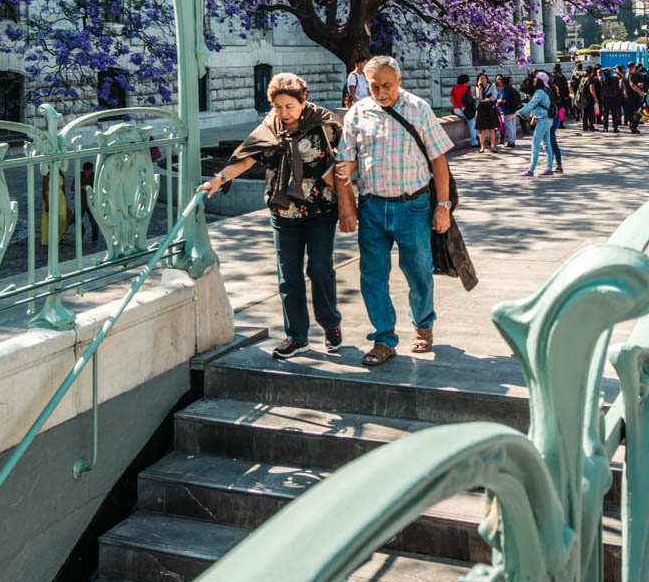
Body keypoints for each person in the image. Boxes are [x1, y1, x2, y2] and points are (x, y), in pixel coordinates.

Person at [202, 73, 346, 360]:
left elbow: (349, 158)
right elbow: (245, 158)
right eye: (278, 107)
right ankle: (296, 337)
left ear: (303, 102)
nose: (284, 113)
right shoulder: (269, 128)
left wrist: (351, 195)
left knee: (319, 269)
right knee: (288, 276)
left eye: (289, 107)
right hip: (284, 213)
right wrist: (217, 180)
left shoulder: (325, 126)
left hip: (320, 211)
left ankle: (331, 324)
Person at [334, 55, 453, 366]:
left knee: (418, 272)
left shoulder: (418, 109)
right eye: (374, 86)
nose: (380, 92)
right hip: (372, 206)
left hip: (413, 206)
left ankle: (422, 325)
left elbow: (439, 160)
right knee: (372, 276)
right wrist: (346, 206)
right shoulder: (357, 113)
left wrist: (443, 207)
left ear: (399, 80)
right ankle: (384, 337)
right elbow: (344, 163)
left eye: (386, 85)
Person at [519, 71, 563, 177]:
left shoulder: (542, 91)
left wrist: (519, 113)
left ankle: (534, 170)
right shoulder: (548, 89)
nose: (534, 79)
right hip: (550, 117)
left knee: (540, 145)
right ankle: (552, 167)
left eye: (535, 78)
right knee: (550, 143)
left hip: (545, 118)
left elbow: (532, 103)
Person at [450, 74, 478, 147]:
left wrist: (456, 106)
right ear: (466, 81)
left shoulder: (454, 88)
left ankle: (477, 135)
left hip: (456, 109)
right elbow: (470, 99)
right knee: (472, 124)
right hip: (465, 109)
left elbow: (452, 100)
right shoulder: (467, 88)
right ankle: (474, 142)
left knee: (472, 121)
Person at [474, 71, 498, 153]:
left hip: (490, 108)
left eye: (484, 78)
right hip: (481, 109)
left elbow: (494, 97)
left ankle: (493, 146)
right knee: (481, 129)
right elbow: (479, 98)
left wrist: (484, 100)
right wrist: (480, 89)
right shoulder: (477, 87)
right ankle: (482, 147)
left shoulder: (492, 86)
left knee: (491, 128)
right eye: (481, 79)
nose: (483, 80)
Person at [78, 160, 100, 244]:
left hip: (92, 203)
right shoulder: (79, 175)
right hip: (81, 202)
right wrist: (82, 187)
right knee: (77, 220)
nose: (86, 172)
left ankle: (95, 238)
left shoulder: (95, 177)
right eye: (85, 170)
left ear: (91, 170)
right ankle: (82, 231)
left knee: (94, 222)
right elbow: (72, 187)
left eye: (88, 171)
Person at [497, 75, 522, 146]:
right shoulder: (512, 89)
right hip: (513, 110)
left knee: (508, 127)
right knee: (513, 127)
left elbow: (503, 100)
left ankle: (511, 142)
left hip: (506, 111)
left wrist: (496, 100)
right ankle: (513, 140)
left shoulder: (505, 90)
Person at [600, 67, 621, 133]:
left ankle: (605, 128)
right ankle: (615, 128)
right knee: (614, 114)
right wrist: (613, 70)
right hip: (614, 98)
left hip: (605, 99)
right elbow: (620, 76)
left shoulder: (602, 80)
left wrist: (604, 69)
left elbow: (598, 71)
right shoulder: (614, 79)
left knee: (605, 114)